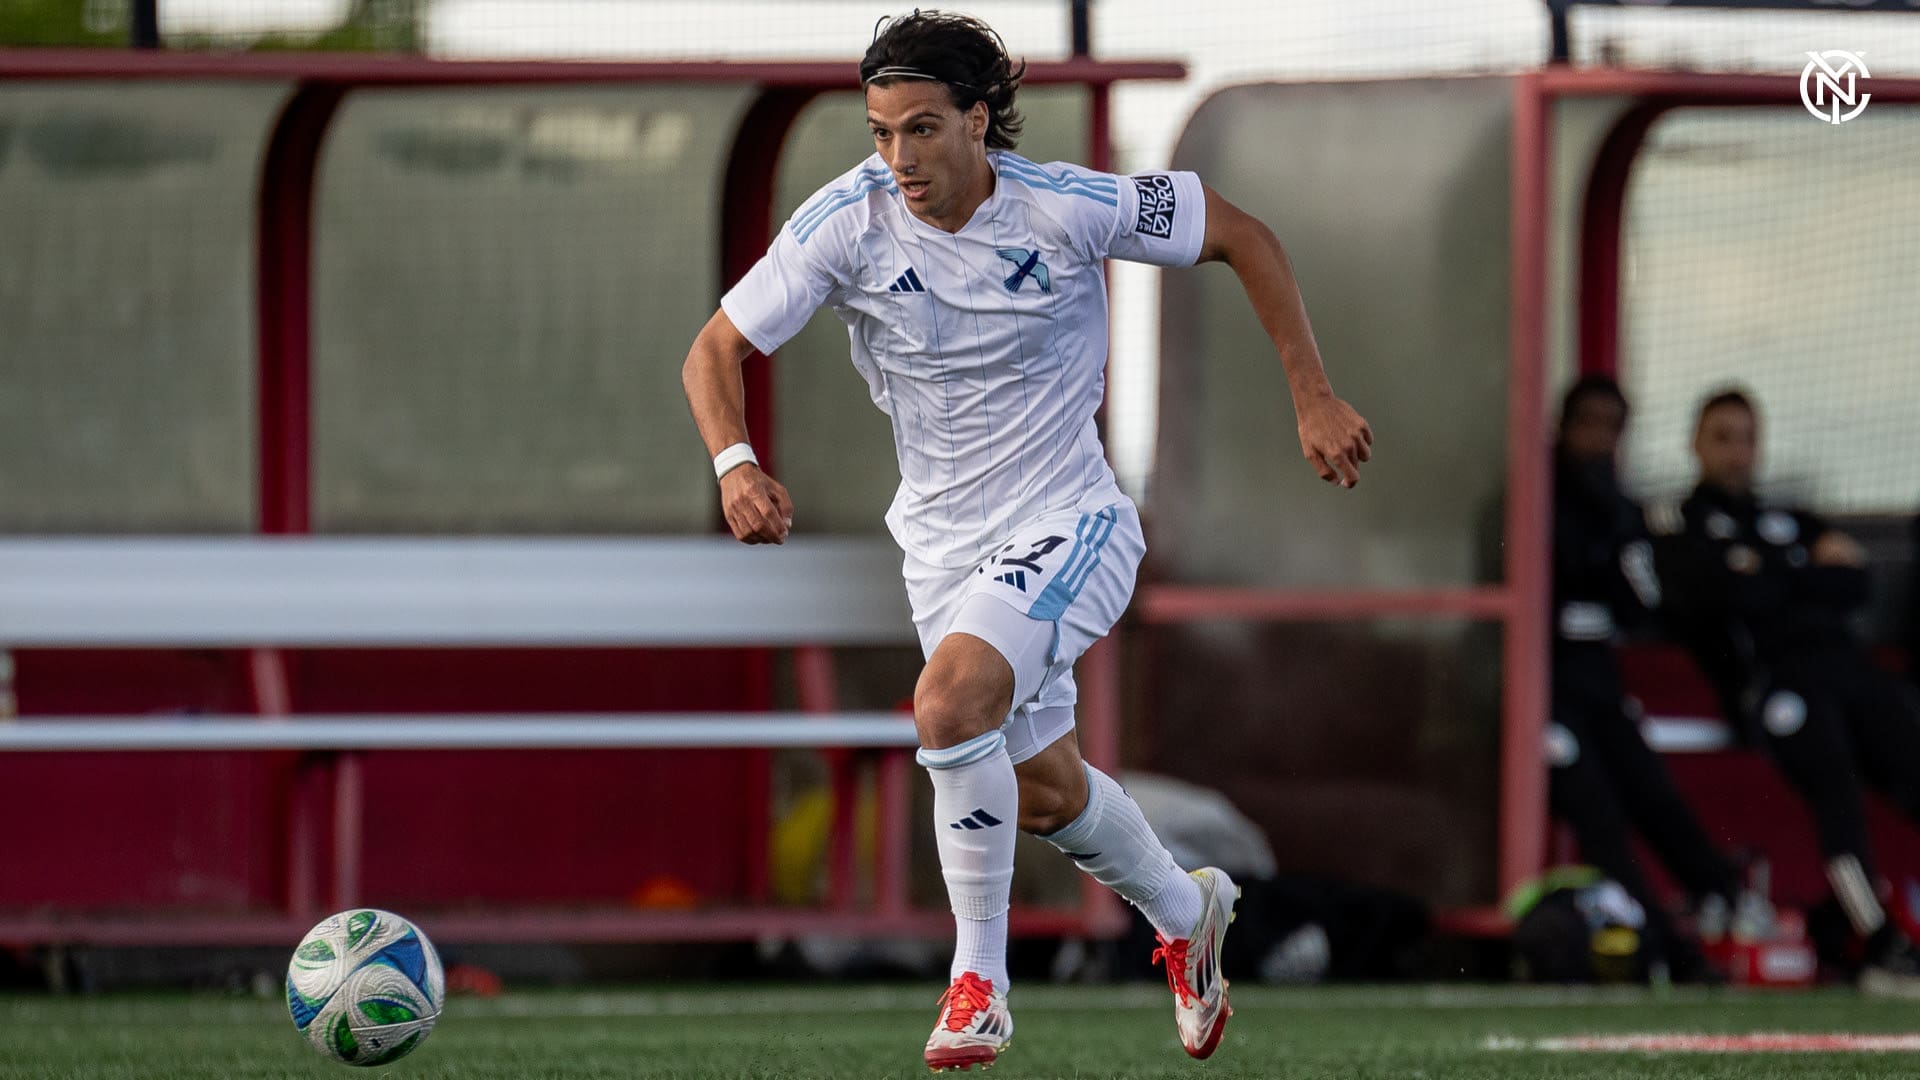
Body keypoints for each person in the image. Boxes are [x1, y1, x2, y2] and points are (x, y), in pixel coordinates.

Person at [680, 10, 1371, 1070]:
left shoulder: (1065, 206)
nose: (900, 158)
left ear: (977, 120)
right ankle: (1186, 913)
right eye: (880, 133)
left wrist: (1312, 395)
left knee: (949, 704)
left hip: (1070, 520)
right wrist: (735, 464)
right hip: (941, 549)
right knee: (1043, 792)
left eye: (921, 129)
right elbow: (715, 350)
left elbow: (1244, 235)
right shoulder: (847, 221)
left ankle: (979, 985)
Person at [1665, 387, 1920, 993]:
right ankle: (1880, 945)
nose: (1737, 452)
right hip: (1777, 685)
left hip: (1846, 669)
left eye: (1747, 438)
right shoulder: (1686, 526)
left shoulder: (1788, 519)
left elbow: (1854, 584)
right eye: (1723, 438)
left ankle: (1851, 930)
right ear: (1695, 444)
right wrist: (1805, 572)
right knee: (1838, 792)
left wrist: (1772, 573)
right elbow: (1730, 599)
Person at [1547, 375, 1760, 981]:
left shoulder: (1620, 508)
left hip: (1597, 683)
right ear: (1562, 427)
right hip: (1541, 693)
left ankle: (1730, 904)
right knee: (1599, 817)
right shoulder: (1532, 501)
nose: (1598, 440)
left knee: (1653, 792)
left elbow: (1640, 603)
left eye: (1611, 429)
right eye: (1587, 424)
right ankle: (1666, 948)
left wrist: (1612, 538)